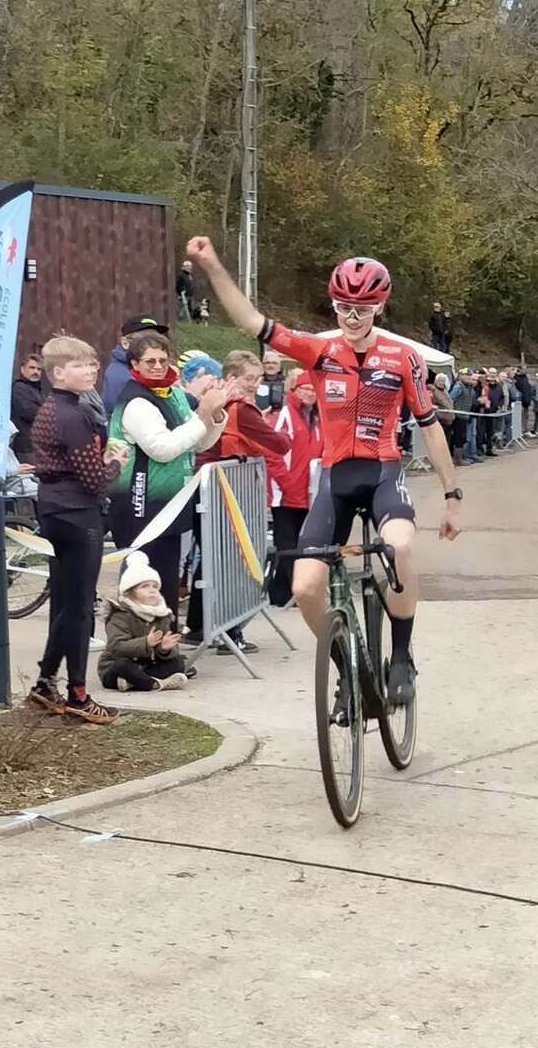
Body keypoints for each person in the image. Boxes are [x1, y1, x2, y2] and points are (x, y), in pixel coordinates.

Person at [187, 238, 461, 705]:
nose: (350, 319)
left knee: (399, 548)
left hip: (382, 473)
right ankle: (349, 669)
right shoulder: (317, 351)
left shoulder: (403, 358)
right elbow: (252, 321)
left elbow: (430, 428)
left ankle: (400, 656)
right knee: (305, 586)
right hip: (334, 479)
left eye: (361, 309)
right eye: (342, 308)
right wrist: (211, 265)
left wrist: (452, 496)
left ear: (379, 307)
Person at [29, 336, 129, 725]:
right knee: (80, 607)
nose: (91, 369)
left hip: (56, 509)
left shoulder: (52, 408)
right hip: (77, 513)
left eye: (92, 363)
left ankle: (44, 682)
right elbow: (94, 481)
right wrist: (115, 462)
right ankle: (78, 693)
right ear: (58, 372)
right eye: (81, 364)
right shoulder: (73, 414)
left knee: (67, 603)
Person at [107, 331, 226, 624]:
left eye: (162, 360)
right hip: (141, 504)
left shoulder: (173, 392)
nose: (158, 366)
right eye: (150, 361)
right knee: (144, 579)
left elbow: (197, 442)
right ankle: (139, 644)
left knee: (167, 579)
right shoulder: (136, 401)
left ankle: (166, 647)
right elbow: (161, 449)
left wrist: (216, 416)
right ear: (135, 363)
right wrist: (203, 415)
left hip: (171, 502)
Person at [187, 349, 291, 654]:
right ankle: (227, 628)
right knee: (230, 560)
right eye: (248, 378)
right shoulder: (241, 409)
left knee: (210, 557)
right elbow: (279, 443)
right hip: (221, 489)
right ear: (230, 378)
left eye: (258, 379)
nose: (254, 385)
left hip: (210, 485)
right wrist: (275, 433)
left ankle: (198, 625)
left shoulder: (226, 403)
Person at [98, 551, 191, 693]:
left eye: (155, 586)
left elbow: (167, 646)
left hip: (146, 665)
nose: (152, 590)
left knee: (177, 662)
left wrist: (164, 649)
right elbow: (116, 647)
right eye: (144, 586)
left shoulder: (161, 614)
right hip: (118, 666)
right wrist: (146, 643)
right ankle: (155, 684)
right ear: (129, 592)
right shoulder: (120, 615)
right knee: (122, 666)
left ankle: (135, 682)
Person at [267, 369, 322, 605]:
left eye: (313, 390)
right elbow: (272, 451)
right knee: (287, 543)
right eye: (305, 389)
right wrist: (285, 482)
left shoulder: (319, 418)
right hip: (286, 492)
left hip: (308, 491)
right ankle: (295, 592)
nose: (309, 394)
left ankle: (280, 594)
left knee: (300, 542)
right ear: (295, 390)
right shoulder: (285, 415)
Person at [102, 315, 169, 415]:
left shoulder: (150, 366)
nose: (153, 344)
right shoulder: (121, 376)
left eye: (157, 338)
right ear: (125, 343)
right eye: (145, 339)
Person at [11, 352, 50, 463]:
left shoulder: (40, 391)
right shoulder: (19, 388)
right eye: (32, 368)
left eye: (39, 369)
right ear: (22, 369)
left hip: (40, 445)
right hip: (26, 446)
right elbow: (29, 412)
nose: (35, 372)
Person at [512, 365, 534, 436]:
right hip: (519, 400)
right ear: (520, 369)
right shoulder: (516, 377)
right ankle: (519, 430)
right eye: (524, 369)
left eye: (526, 369)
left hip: (526, 399)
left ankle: (526, 430)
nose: (525, 370)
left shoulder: (526, 377)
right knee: (519, 415)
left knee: (526, 415)